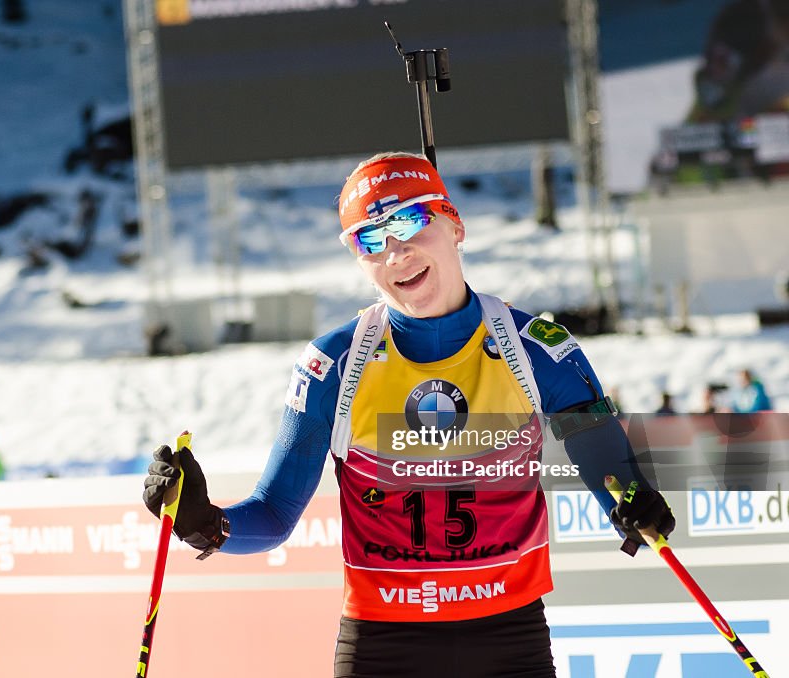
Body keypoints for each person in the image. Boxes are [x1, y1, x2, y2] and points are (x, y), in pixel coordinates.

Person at [142, 153, 675, 677]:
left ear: (455, 225)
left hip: (508, 638)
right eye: (369, 240)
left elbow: (610, 470)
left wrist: (633, 500)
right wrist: (207, 524)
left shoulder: (535, 350)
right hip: (384, 644)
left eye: (410, 221)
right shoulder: (333, 366)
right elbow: (276, 513)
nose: (394, 251)